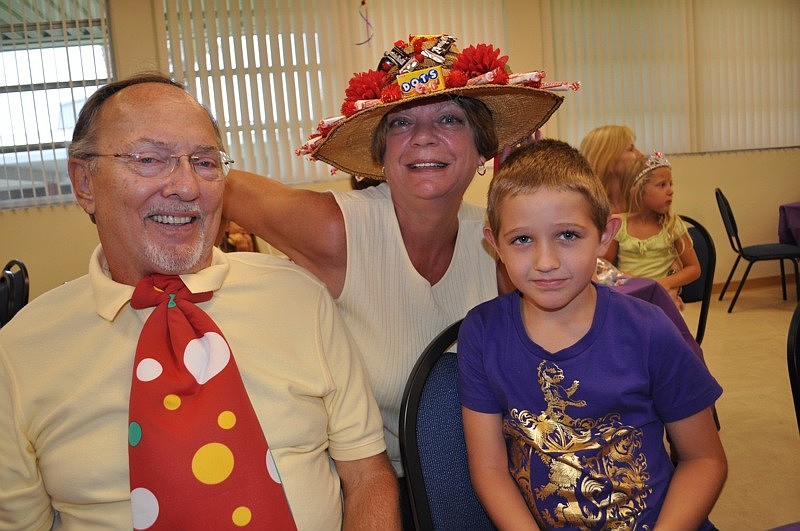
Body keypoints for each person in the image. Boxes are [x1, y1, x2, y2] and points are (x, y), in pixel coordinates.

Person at [0, 72, 399, 530]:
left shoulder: (300, 299)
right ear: (84, 182)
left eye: (206, 163)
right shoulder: (19, 354)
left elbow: (368, 473)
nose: (186, 186)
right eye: (150, 159)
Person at [222, 33, 569, 522]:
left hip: (487, 481)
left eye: (449, 119)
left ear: (483, 151)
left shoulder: (499, 240)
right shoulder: (339, 231)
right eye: (402, 122)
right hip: (367, 491)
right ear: (382, 157)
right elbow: (218, 183)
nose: (424, 137)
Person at [458, 139, 726, 529]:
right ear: (495, 243)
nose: (546, 262)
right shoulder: (481, 334)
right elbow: (489, 468)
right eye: (521, 239)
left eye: (568, 235)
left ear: (604, 236)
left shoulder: (649, 330)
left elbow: (704, 459)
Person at [603, 151, 700, 309]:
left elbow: (694, 269)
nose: (670, 191)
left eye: (670, 184)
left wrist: (663, 284)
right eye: (662, 185)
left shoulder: (672, 225)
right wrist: (625, 281)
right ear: (639, 190)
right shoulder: (619, 224)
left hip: (663, 299)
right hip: (630, 299)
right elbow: (604, 268)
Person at [579, 124, 643, 214]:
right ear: (607, 159)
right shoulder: (585, 208)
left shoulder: (642, 202)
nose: (641, 155)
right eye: (630, 149)